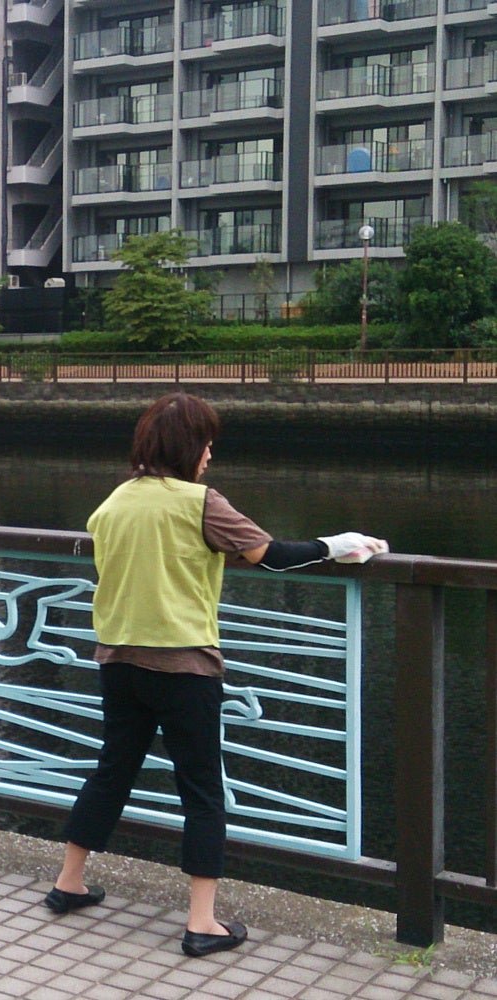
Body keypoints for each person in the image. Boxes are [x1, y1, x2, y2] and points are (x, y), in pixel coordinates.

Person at [44, 392, 388, 957]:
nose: (210, 454)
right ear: (189, 447)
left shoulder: (114, 501)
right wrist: (338, 545)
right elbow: (271, 555)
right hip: (183, 668)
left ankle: (69, 883)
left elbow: (155, 555)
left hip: (118, 662)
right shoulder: (201, 502)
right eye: (206, 443)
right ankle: (202, 923)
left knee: (112, 771)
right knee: (202, 792)